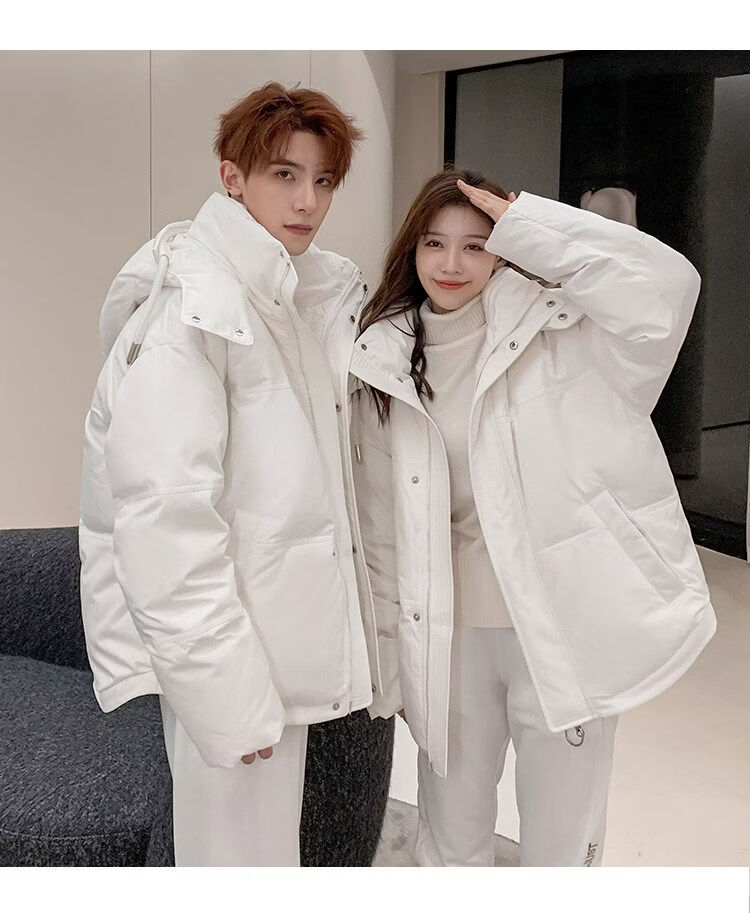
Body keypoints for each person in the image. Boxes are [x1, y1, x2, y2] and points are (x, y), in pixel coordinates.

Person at [352, 167, 716, 866]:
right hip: (450, 636)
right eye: (434, 243)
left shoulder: (569, 332)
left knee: (560, 848)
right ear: (412, 249)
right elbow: (380, 524)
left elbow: (669, 288)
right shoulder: (383, 358)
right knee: (449, 842)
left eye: (477, 244)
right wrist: (395, 658)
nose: (452, 264)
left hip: (559, 628)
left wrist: (534, 224)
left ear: (508, 249)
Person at [78, 82, 387, 866]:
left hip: (277, 644)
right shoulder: (198, 308)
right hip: (236, 656)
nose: (307, 200)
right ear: (232, 177)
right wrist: (226, 691)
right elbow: (163, 516)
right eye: (285, 174)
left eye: (322, 179)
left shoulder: (302, 296)